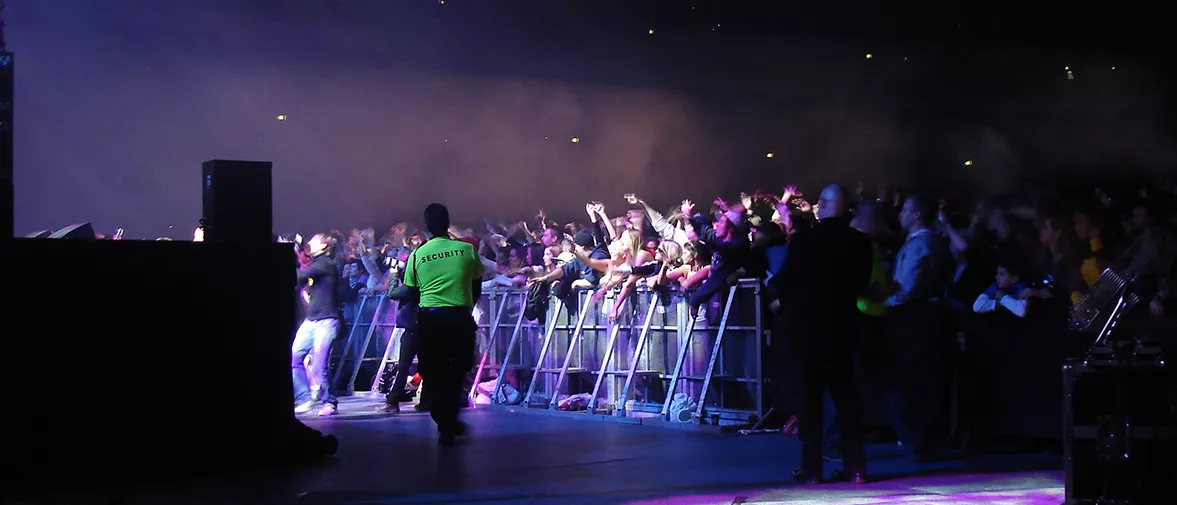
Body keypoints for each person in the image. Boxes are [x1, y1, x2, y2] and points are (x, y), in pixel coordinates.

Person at [769, 185, 873, 484]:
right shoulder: (861, 242)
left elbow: (786, 279)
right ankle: (856, 466)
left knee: (809, 401)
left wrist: (776, 292)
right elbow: (862, 283)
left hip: (808, 330)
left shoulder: (806, 240)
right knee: (847, 400)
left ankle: (812, 468)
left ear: (825, 205)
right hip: (844, 327)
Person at [402, 204, 484, 445]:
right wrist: (464, 306)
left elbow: (412, 291)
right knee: (457, 371)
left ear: (427, 226)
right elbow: (476, 285)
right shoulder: (467, 250)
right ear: (448, 223)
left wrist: (425, 311)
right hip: (459, 318)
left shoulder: (418, 255)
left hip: (431, 319)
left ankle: (443, 420)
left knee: (433, 372)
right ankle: (448, 421)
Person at [292, 233, 342, 417]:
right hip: (311, 321)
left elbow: (301, 275)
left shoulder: (325, 264)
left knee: (319, 366)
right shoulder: (317, 264)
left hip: (326, 322)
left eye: (314, 241)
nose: (309, 243)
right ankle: (304, 398)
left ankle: (329, 402)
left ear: (323, 247)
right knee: (294, 358)